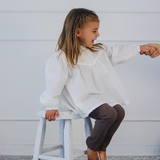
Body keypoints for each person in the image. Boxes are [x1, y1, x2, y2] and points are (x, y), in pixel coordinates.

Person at [40, 8, 160, 160]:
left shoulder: (97, 50)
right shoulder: (61, 57)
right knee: (108, 114)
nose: (98, 35)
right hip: (79, 98)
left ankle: (101, 147)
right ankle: (92, 147)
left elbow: (117, 52)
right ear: (78, 32)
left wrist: (139, 48)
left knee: (119, 112)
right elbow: (54, 81)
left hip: (97, 97)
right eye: (94, 31)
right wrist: (51, 104)